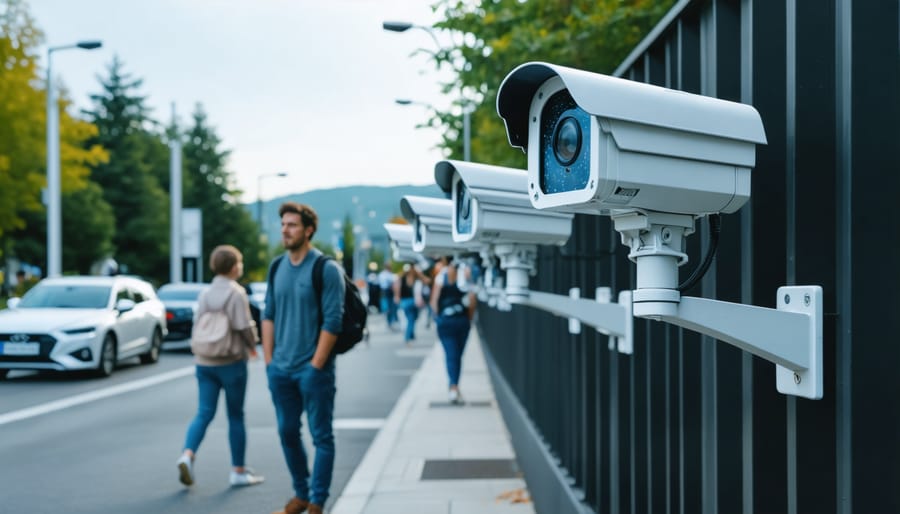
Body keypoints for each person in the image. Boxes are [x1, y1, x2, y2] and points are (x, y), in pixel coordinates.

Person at [263, 202, 345, 514]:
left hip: (314, 370)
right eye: (283, 224)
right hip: (280, 370)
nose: (285, 229)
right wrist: (269, 363)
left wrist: (315, 366)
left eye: (292, 225)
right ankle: (301, 492)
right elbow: (268, 315)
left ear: (308, 230)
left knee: (321, 435)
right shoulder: (276, 267)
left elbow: (332, 322)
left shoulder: (325, 269)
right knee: (287, 432)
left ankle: (317, 502)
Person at [176, 245, 264, 488]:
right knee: (235, 416)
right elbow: (242, 325)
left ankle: (187, 454)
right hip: (231, 362)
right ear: (234, 266)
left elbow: (198, 322)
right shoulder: (236, 293)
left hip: (204, 362)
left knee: (204, 412)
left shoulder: (205, 293)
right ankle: (237, 470)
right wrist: (253, 345)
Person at [429, 258, 477, 404]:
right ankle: (454, 387)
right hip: (461, 319)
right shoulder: (466, 275)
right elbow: (472, 298)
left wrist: (438, 318)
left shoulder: (441, 277)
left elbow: (434, 301)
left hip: (446, 321)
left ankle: (453, 387)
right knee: (457, 355)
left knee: (451, 355)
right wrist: (469, 318)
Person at [377, 262, 398, 329]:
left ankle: (391, 321)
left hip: (387, 292)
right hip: (387, 291)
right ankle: (390, 321)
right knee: (389, 308)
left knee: (390, 308)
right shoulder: (385, 275)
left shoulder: (386, 274)